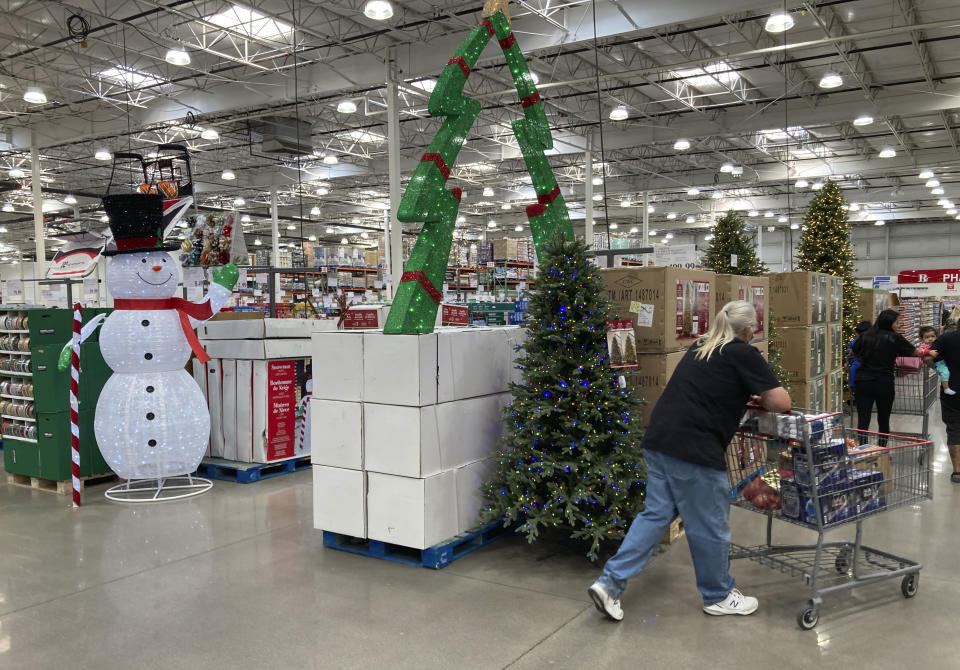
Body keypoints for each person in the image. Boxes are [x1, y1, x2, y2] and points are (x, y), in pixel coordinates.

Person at [587, 301, 790, 621]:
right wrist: (760, 396)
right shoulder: (743, 352)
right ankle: (718, 594)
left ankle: (609, 584)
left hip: (660, 439)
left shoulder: (701, 346)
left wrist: (742, 395)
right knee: (711, 525)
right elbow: (781, 401)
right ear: (749, 329)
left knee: (654, 516)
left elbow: (709, 388)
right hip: (695, 450)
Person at [852, 309, 923, 436]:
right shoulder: (895, 337)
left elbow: (853, 351)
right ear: (888, 322)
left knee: (863, 419)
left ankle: (863, 449)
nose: (899, 325)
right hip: (883, 382)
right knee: (883, 419)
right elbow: (915, 353)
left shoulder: (866, 335)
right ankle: (882, 450)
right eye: (897, 322)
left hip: (863, 381)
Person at [933, 326, 960, 482]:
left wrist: (942, 371)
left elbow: (929, 357)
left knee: (954, 429)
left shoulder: (946, 338)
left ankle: (957, 471)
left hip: (952, 391)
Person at [918, 326, 955, 396]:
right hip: (938, 363)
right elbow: (920, 351)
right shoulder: (924, 345)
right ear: (922, 339)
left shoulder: (938, 342)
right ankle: (946, 388)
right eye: (927, 337)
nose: (930, 339)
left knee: (949, 372)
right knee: (945, 373)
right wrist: (929, 352)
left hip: (943, 361)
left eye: (933, 336)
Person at [847, 320, 872, 389]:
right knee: (853, 367)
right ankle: (853, 385)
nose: (857, 335)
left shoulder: (871, 342)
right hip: (857, 361)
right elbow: (849, 352)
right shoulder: (854, 342)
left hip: (867, 363)